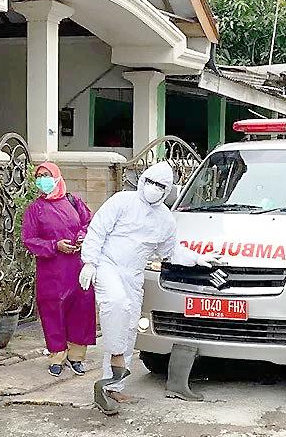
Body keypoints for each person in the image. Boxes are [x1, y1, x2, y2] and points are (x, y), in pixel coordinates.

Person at [78, 162, 218, 414]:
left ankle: (114, 386)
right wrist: (89, 262)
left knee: (130, 326)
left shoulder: (165, 218)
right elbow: (97, 231)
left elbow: (170, 251)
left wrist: (197, 258)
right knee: (116, 305)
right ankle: (115, 359)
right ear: (142, 181)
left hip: (133, 274)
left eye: (160, 186)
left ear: (167, 190)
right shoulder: (121, 201)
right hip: (108, 265)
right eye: (151, 182)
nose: (154, 189)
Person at [21, 162, 96, 377]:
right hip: (51, 271)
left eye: (47, 175)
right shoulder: (35, 209)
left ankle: (77, 356)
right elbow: (29, 240)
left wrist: (82, 237)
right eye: (40, 176)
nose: (43, 179)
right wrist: (55, 245)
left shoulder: (73, 202)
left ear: (57, 177)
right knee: (52, 311)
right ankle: (57, 355)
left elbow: (89, 222)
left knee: (81, 309)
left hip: (77, 267)